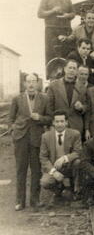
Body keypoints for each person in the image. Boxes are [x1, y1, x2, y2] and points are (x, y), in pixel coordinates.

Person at [8, 73, 51, 211]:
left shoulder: (44, 98)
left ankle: (35, 200)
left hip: (36, 138)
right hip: (21, 138)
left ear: (38, 83)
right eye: (28, 81)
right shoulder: (17, 98)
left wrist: (40, 118)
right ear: (24, 84)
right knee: (21, 169)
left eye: (34, 81)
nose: (31, 84)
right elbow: (10, 119)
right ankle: (20, 201)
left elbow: (50, 118)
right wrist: (13, 130)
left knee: (36, 170)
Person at [40, 110, 82, 202]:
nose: (59, 124)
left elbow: (78, 152)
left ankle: (74, 191)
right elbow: (43, 158)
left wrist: (65, 158)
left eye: (62, 121)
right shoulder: (46, 136)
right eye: (57, 121)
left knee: (78, 162)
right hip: (54, 167)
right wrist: (54, 172)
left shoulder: (75, 134)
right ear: (53, 123)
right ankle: (58, 191)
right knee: (45, 182)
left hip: (69, 166)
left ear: (66, 122)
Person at [37, 0, 75, 68]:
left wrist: (67, 15)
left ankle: (66, 74)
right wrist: (52, 11)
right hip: (51, 29)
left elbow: (73, 13)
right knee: (51, 53)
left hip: (65, 29)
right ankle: (52, 76)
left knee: (66, 52)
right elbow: (39, 14)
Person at [47, 59, 87, 135]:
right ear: (65, 69)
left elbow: (86, 106)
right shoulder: (53, 85)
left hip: (76, 126)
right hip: (58, 125)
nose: (72, 70)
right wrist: (52, 124)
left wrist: (81, 107)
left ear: (77, 72)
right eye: (70, 68)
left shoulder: (82, 87)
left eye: (74, 68)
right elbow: (49, 107)